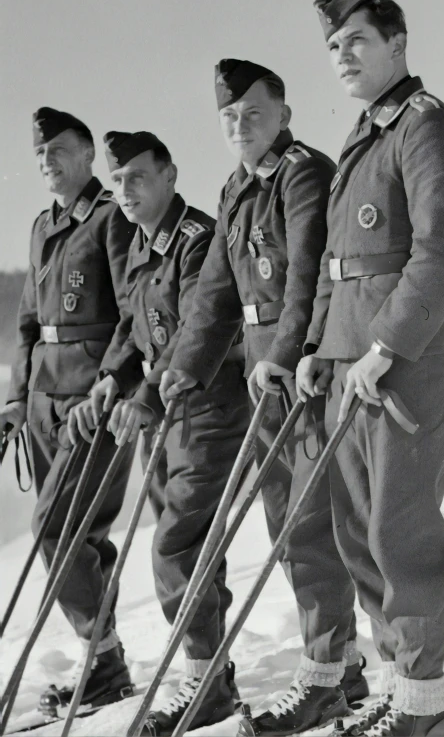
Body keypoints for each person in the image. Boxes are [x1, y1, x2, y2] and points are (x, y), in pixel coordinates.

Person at [296, 0, 444, 736]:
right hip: (351, 367)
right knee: (358, 536)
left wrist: (384, 346)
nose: (342, 54)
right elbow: (336, 269)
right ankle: (400, 689)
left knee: (400, 535)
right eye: (335, 45)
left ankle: (424, 706)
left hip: (410, 363)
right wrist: (319, 348)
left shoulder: (429, 125)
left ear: (399, 43)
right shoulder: (363, 137)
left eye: (357, 40)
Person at [162, 59, 368, 737]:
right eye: (228, 118)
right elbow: (216, 293)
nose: (240, 127)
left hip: (301, 368)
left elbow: (306, 271)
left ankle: (325, 677)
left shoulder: (302, 171)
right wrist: (185, 366)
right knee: (289, 529)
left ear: (283, 113)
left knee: (309, 525)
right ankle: (339, 663)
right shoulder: (235, 189)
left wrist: (286, 355)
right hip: (263, 376)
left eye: (253, 113)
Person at [72, 129, 250, 736]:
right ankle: (212, 675)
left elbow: (196, 328)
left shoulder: (198, 241)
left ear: (170, 176)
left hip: (207, 406)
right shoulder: (143, 247)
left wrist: (145, 393)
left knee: (175, 545)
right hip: (163, 414)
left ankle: (204, 682)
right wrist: (111, 378)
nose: (125, 190)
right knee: (191, 545)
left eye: (138, 177)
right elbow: (132, 325)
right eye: (117, 180)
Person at [0, 108, 137, 713]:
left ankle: (102, 653)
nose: (47, 162)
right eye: (39, 154)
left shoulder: (112, 220)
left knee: (57, 530)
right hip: (42, 406)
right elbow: (29, 323)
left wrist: (109, 381)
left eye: (58, 150)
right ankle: (106, 666)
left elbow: (133, 313)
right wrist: (13, 399)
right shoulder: (40, 228)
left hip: (92, 403)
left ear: (86, 155)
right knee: (82, 540)